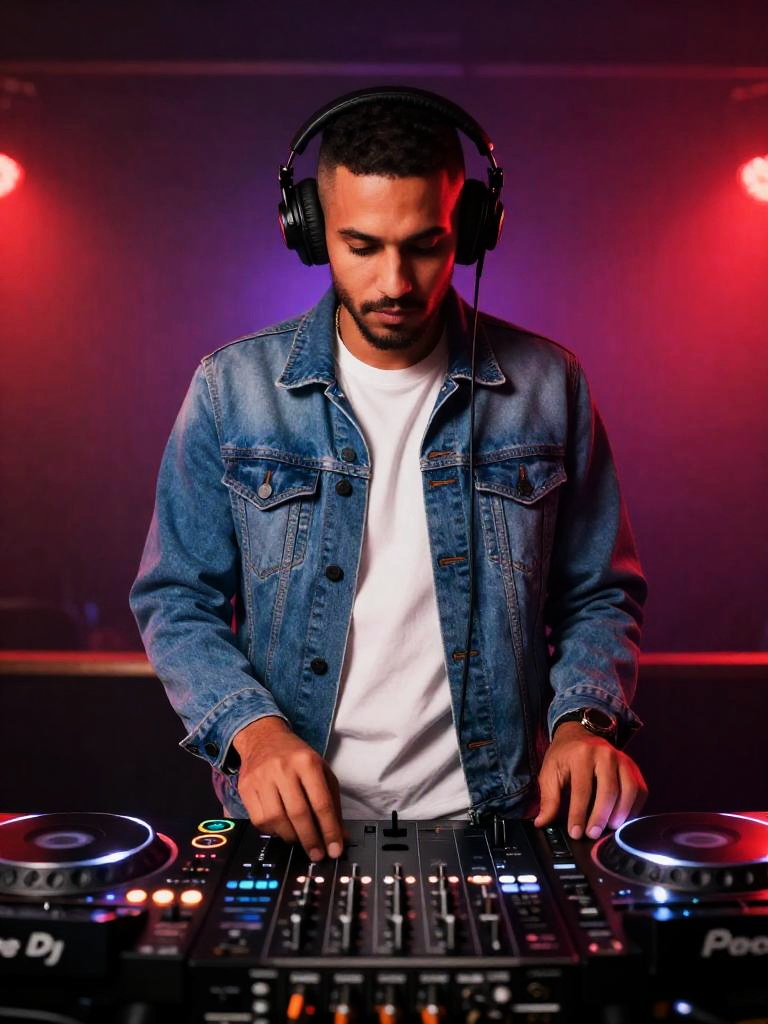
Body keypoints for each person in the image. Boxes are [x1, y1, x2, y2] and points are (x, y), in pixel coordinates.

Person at [130, 87, 648, 864]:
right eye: (362, 245)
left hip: (505, 821)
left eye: (426, 244)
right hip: (296, 835)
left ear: (471, 230)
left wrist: (584, 722)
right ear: (309, 232)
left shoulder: (550, 385)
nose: (396, 283)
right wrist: (253, 732)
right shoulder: (229, 390)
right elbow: (176, 596)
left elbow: (600, 593)